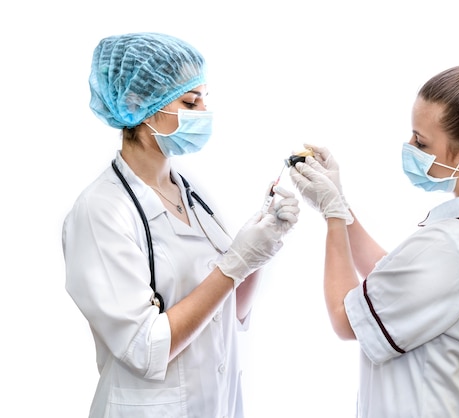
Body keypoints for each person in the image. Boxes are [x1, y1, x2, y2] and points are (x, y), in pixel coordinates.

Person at [289, 53, 459, 417]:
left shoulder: (454, 244)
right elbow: (398, 280)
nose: (410, 149)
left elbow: (343, 319)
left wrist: (332, 217)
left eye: (421, 142)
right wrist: (342, 204)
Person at [62, 32, 299, 418]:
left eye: (205, 98)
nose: (204, 111)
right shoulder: (101, 211)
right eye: (190, 101)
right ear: (137, 104)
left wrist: (262, 244)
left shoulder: (193, 195)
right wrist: (236, 262)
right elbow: (144, 347)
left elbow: (230, 311)